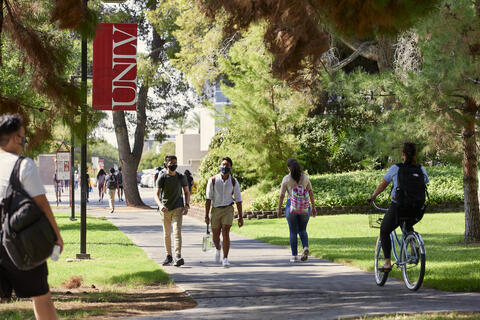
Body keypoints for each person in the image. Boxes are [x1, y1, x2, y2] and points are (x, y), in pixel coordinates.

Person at [0, 113, 63, 319]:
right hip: (21, 240)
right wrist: (56, 236)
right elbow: (41, 204)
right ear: (16, 137)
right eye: (23, 137)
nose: (24, 142)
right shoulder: (23, 165)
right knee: (40, 296)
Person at [367, 142, 429, 272]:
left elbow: (383, 185)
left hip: (399, 207)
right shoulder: (421, 169)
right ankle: (413, 249)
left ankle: (387, 263)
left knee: (384, 230)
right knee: (407, 223)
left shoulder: (396, 168)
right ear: (415, 154)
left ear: (403, 154)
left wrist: (373, 196)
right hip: (418, 209)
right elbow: (424, 183)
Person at [205, 157, 243, 267]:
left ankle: (225, 258)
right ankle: (217, 248)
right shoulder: (212, 180)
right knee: (215, 236)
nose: (224, 167)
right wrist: (206, 215)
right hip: (216, 209)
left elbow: (238, 200)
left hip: (228, 209)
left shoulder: (233, 181)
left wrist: (241, 217)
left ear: (230, 167)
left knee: (226, 232)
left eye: (227, 165)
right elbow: (208, 199)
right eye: (223, 164)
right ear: (219, 166)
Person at [276, 158, 317, 263]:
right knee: (302, 230)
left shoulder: (286, 179)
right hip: (304, 206)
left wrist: (279, 208)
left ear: (289, 168)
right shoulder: (305, 178)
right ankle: (305, 247)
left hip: (291, 206)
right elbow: (311, 193)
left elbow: (281, 195)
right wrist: (313, 207)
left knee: (293, 231)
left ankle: (294, 256)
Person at [154, 155, 190, 267]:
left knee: (177, 232)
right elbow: (156, 194)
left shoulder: (181, 177)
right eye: (171, 163)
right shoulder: (162, 177)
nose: (173, 165)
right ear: (166, 164)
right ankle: (168, 256)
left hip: (178, 208)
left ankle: (178, 255)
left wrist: (186, 205)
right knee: (167, 234)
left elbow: (187, 192)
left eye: (175, 162)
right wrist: (160, 205)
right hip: (165, 209)